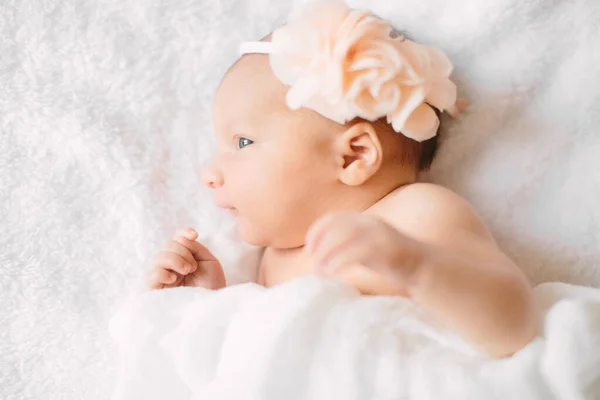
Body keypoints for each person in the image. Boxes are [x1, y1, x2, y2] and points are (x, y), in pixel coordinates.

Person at [147, 1, 536, 357]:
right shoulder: (272, 262)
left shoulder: (416, 214)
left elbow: (516, 324)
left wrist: (417, 266)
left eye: (242, 141)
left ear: (355, 155)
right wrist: (212, 303)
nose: (208, 173)